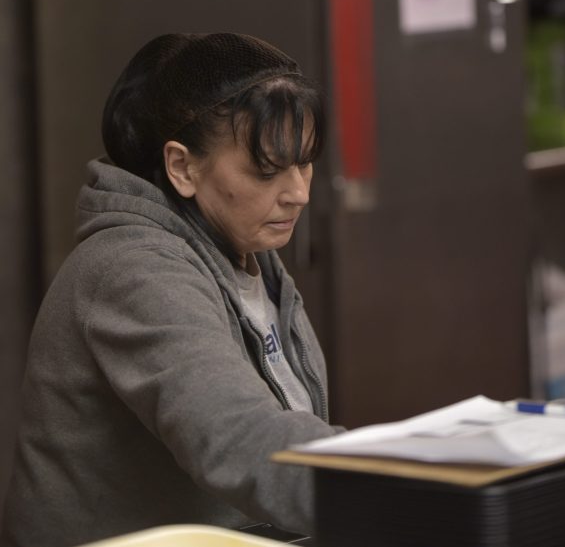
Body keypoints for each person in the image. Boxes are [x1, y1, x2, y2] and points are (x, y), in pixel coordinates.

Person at [1, 32, 342, 547]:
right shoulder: (133, 268)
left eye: (305, 162)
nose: (298, 193)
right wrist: (400, 491)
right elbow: (237, 435)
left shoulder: (245, 248)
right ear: (182, 167)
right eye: (267, 170)